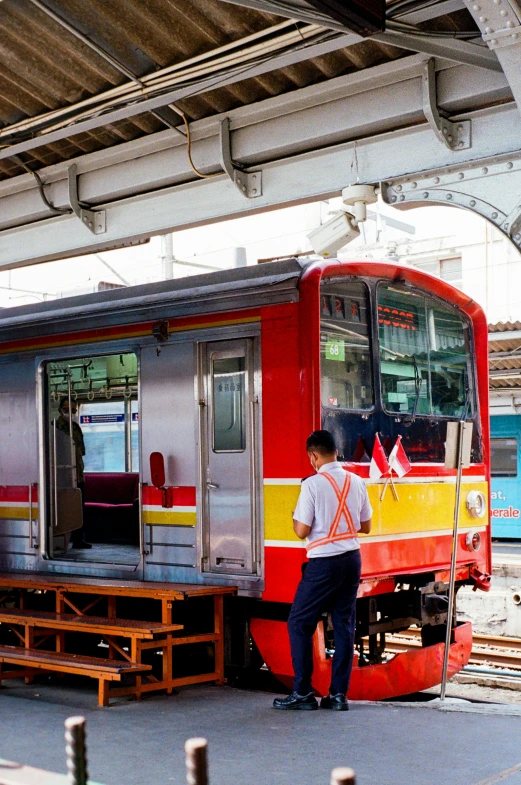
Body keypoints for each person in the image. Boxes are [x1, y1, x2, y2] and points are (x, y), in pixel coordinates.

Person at [273, 429, 372, 712]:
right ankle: (338, 695)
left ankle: (303, 692)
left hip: (324, 563)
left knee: (298, 623)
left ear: (314, 456)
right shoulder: (356, 481)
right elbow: (366, 527)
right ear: (336, 452)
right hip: (352, 559)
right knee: (343, 625)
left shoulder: (312, 485)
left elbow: (301, 530)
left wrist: (295, 519)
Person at [56, 397, 92, 549]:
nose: (69, 413)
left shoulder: (76, 428)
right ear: (59, 410)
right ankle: (60, 539)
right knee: (62, 508)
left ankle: (78, 539)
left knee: (79, 508)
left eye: (73, 410)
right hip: (61, 475)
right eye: (66, 409)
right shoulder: (54, 427)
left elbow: (81, 451)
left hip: (77, 474)